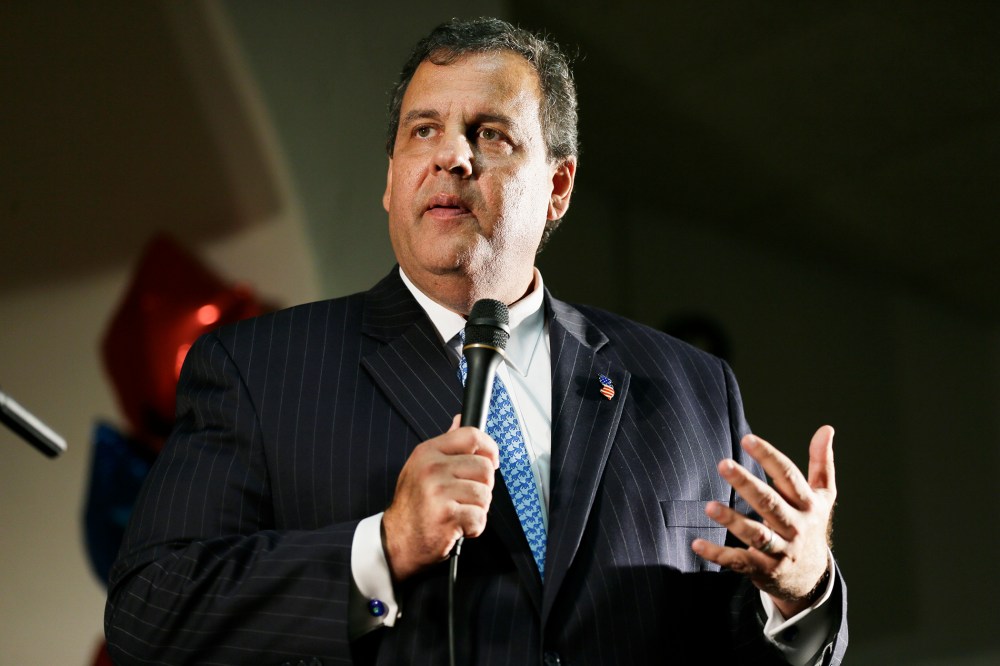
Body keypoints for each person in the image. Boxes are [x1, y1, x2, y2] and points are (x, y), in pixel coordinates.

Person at [105, 17, 846, 666]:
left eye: (489, 134)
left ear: (558, 186)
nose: (451, 157)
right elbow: (149, 613)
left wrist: (803, 591)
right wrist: (384, 547)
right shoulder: (259, 370)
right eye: (423, 131)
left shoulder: (690, 388)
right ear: (392, 181)